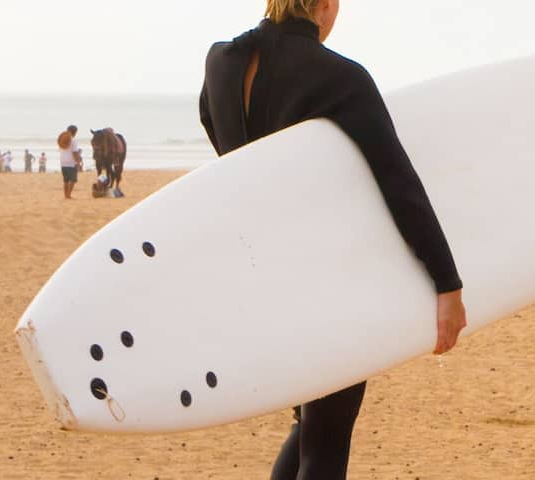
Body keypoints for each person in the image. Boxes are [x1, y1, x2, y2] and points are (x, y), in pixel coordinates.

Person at [199, 1, 468, 478]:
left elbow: (219, 142)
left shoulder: (220, 62)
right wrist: (446, 283)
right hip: (325, 278)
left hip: (262, 274)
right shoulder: (340, 77)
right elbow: (397, 181)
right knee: (326, 436)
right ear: (325, 5)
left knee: (311, 423)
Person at [57, 126, 80, 198]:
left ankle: (66, 195)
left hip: (63, 162)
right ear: (75, 132)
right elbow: (75, 152)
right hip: (71, 163)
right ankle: (68, 195)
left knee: (66, 180)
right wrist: (78, 162)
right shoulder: (73, 140)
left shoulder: (62, 139)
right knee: (73, 180)